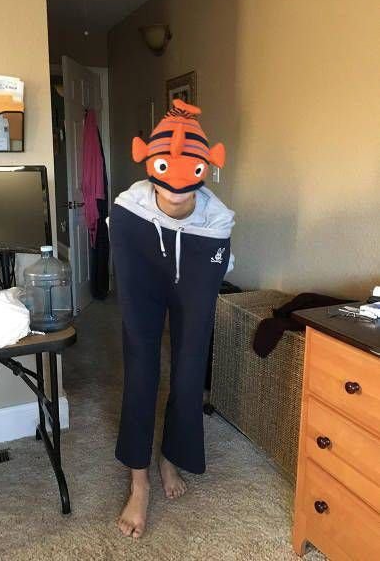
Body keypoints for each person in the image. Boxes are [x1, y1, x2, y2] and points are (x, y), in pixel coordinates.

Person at [109, 99, 235, 538]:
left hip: (197, 252)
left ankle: (170, 457)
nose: (176, 188)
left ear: (205, 167)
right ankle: (139, 482)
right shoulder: (128, 211)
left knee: (190, 366)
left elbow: (215, 270)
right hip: (143, 250)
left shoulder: (216, 221)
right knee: (141, 364)